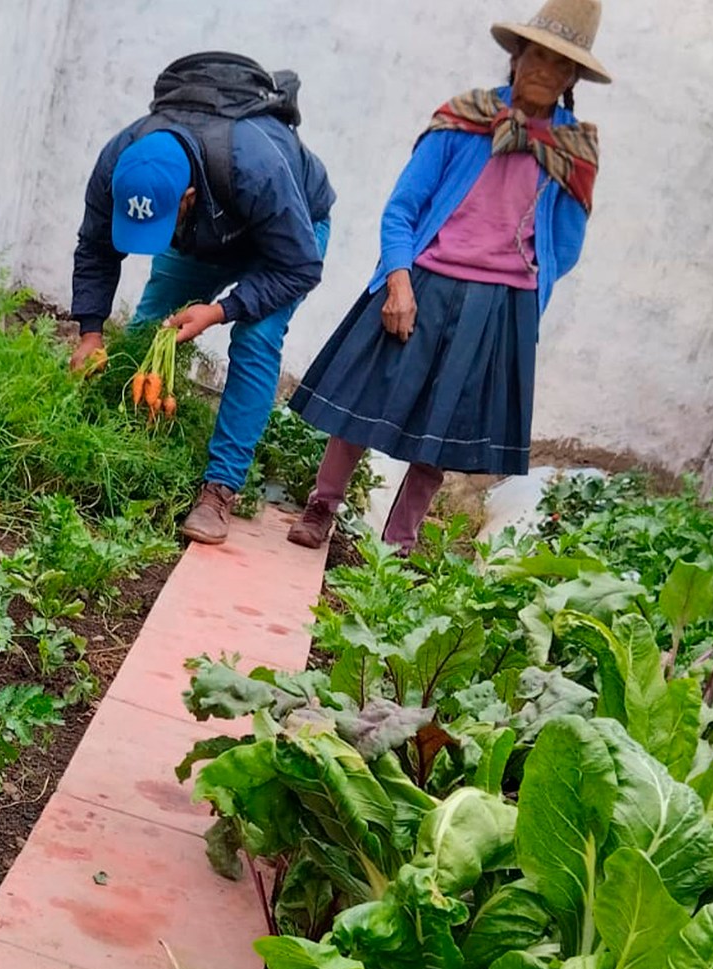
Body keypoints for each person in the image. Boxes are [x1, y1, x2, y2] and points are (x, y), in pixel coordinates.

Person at [286, 0, 608, 555]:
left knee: (445, 427)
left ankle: (400, 541)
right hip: (426, 280)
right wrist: (399, 279)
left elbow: (567, 244)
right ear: (515, 57)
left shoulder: (572, 151)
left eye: (559, 65)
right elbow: (402, 209)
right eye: (535, 55)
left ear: (571, 77)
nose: (543, 70)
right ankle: (322, 507)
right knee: (362, 406)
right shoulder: (464, 118)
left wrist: (527, 284)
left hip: (502, 302)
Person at [68, 56, 334, 545]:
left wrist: (222, 310)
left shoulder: (257, 166)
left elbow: (299, 267)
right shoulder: (118, 161)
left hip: (285, 241)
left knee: (255, 338)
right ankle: (125, 439)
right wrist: (90, 331)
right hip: (206, 232)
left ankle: (220, 489)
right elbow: (95, 246)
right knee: (152, 325)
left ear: (186, 196)